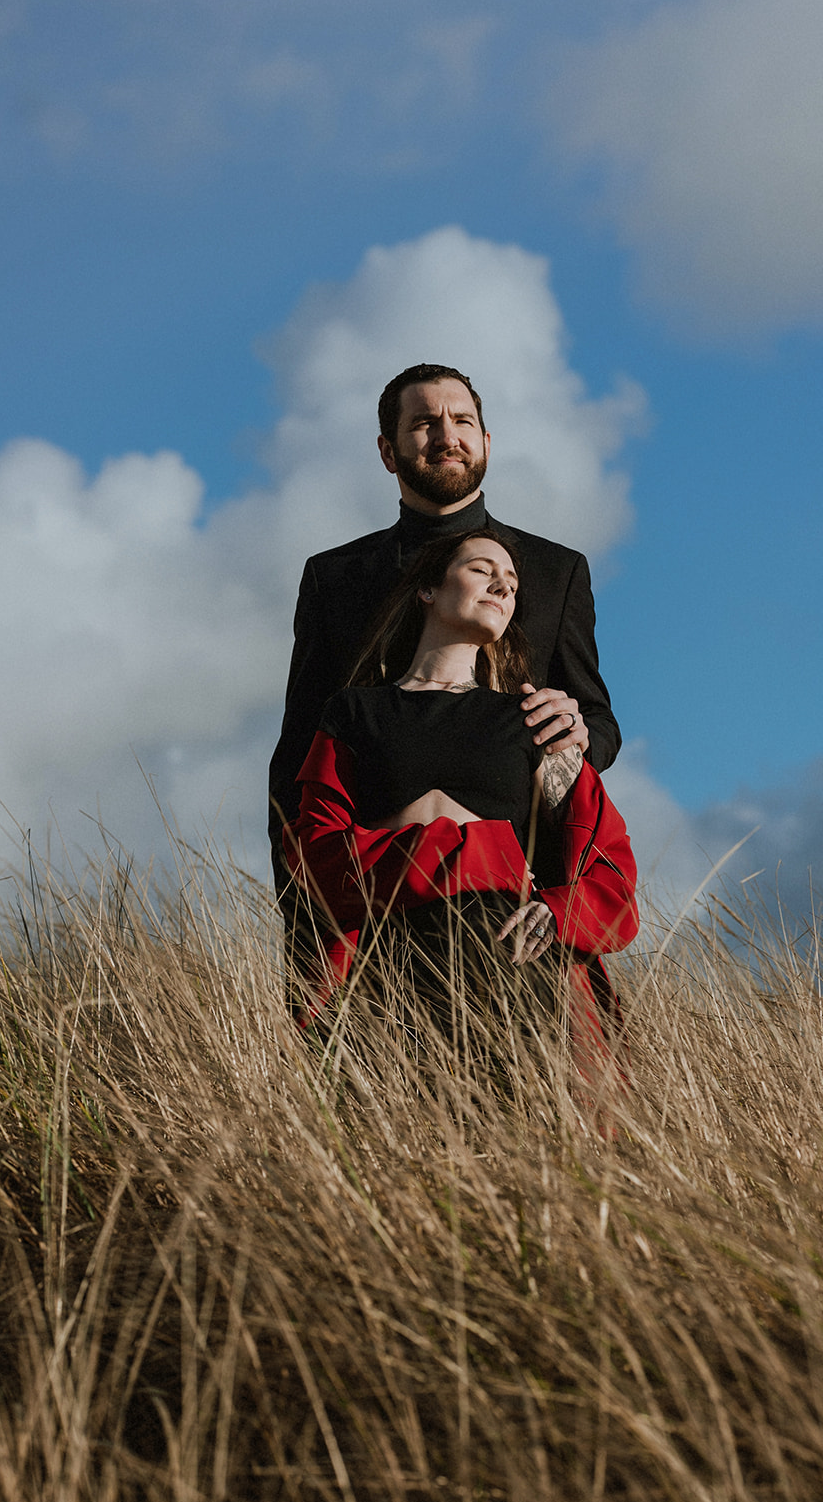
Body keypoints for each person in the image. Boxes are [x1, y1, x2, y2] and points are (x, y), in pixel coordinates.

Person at [269, 364, 621, 971]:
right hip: (367, 909)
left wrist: (580, 733)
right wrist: (302, 912)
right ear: (388, 450)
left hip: (514, 910)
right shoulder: (336, 577)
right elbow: (297, 748)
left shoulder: (554, 569)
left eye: (463, 421)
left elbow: (599, 723)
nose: (447, 435)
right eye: (424, 423)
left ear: (487, 441)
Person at [282, 530, 637, 1072]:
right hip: (386, 953)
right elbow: (317, 853)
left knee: (514, 1140)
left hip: (506, 949)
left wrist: (558, 908)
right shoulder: (352, 712)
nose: (502, 585)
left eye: (513, 584)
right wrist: (478, 852)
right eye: (481, 569)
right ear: (428, 588)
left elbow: (610, 863)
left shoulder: (533, 719)